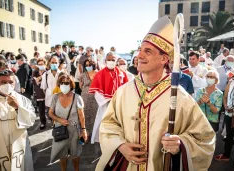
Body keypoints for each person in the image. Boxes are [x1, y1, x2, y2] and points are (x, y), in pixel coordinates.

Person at [96, 16, 215, 171]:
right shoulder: (123, 93)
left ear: (164, 58)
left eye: (148, 51)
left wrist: (181, 143)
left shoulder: (180, 97)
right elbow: (108, 125)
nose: (139, 56)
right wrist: (120, 145)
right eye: (140, 50)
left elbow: (204, 138)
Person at [49, 74, 87, 171]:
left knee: (75, 154)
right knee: (62, 154)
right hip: (60, 130)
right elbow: (50, 113)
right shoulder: (55, 97)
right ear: (59, 84)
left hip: (74, 131)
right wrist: (59, 120)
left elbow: (81, 116)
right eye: (62, 83)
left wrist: (83, 130)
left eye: (67, 83)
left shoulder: (77, 98)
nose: (64, 85)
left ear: (71, 85)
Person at [89, 52, 129, 144]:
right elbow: (97, 92)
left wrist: (119, 100)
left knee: (119, 125)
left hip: (119, 105)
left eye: (113, 60)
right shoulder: (100, 74)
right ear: (105, 60)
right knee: (105, 124)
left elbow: (126, 89)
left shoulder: (122, 73)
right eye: (109, 60)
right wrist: (108, 100)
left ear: (116, 61)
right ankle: (105, 142)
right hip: (105, 105)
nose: (111, 61)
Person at [79, 59, 98, 137]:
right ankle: (86, 134)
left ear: (93, 65)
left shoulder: (98, 73)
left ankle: (94, 134)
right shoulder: (83, 75)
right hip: (85, 98)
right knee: (85, 114)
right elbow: (80, 86)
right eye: (86, 65)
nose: (88, 67)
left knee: (95, 115)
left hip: (96, 98)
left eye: (89, 65)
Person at [32, 58, 47, 130]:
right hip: (39, 93)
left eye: (42, 64)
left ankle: (53, 121)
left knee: (50, 109)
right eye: (39, 64)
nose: (41, 66)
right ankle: (43, 122)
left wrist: (39, 78)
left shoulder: (47, 72)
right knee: (41, 110)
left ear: (45, 64)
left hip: (47, 93)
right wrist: (41, 76)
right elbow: (34, 82)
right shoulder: (35, 72)